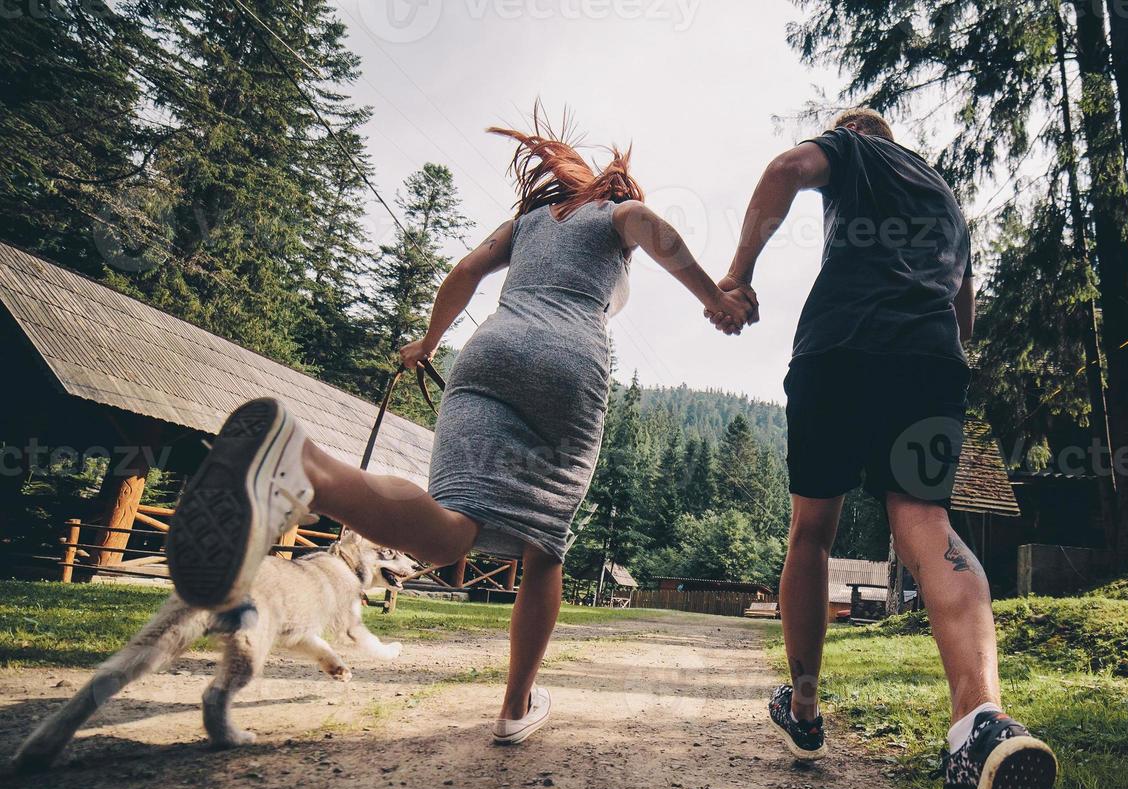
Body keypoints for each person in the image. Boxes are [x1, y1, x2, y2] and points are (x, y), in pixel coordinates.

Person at [165, 114, 755, 746]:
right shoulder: (616, 213)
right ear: (609, 188)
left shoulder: (525, 226)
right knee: (546, 547)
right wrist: (712, 298)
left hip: (487, 353)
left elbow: (467, 271)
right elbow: (655, 230)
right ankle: (514, 704)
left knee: (450, 530)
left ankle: (303, 464)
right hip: (569, 367)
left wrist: (428, 341)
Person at [709, 107, 1056, 789]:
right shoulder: (945, 196)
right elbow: (965, 306)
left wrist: (739, 273)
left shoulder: (855, 153)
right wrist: (940, 352)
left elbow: (784, 172)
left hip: (840, 349)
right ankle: (983, 724)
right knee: (929, 525)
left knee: (813, 530)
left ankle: (802, 703)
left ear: (857, 137)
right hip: (930, 363)